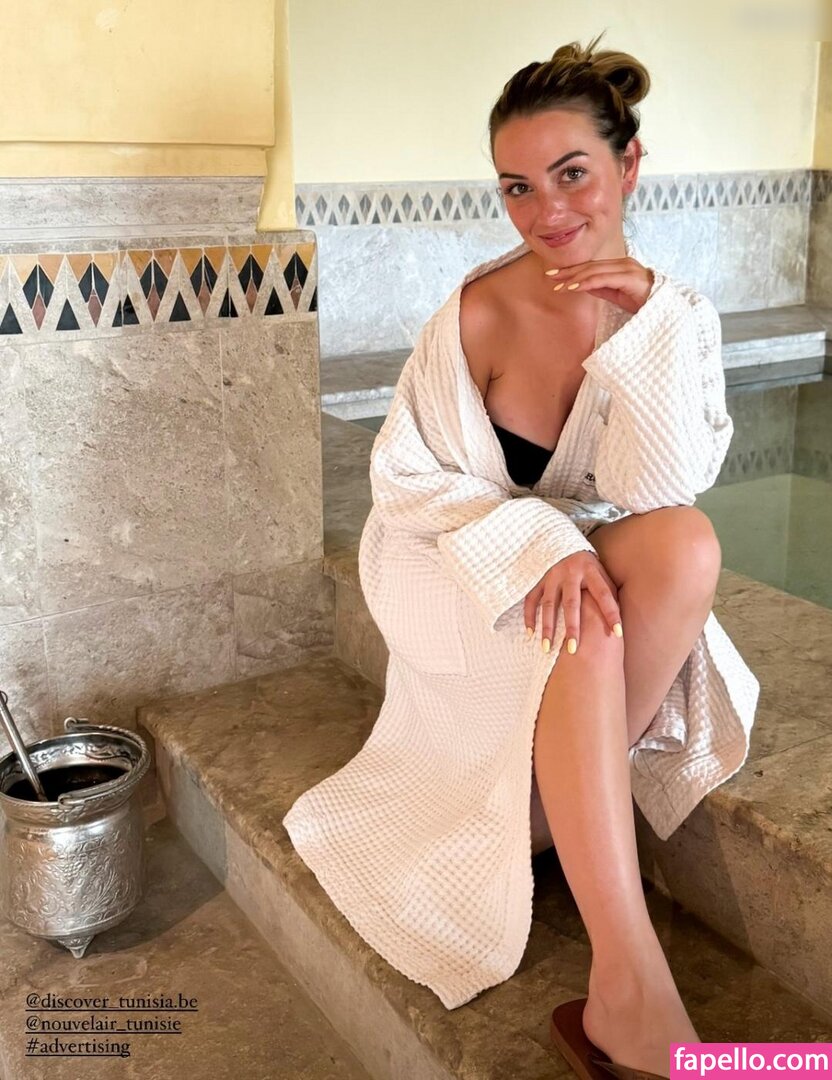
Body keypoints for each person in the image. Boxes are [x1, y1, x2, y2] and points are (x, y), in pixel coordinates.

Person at [283, 30, 760, 1080]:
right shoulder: (480, 310)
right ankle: (630, 987)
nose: (547, 212)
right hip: (443, 554)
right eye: (516, 187)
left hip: (559, 555)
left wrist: (645, 333)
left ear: (629, 165)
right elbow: (406, 482)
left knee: (685, 546)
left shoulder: (676, 314)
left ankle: (542, 802)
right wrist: (539, 543)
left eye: (571, 174)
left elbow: (664, 489)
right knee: (583, 624)